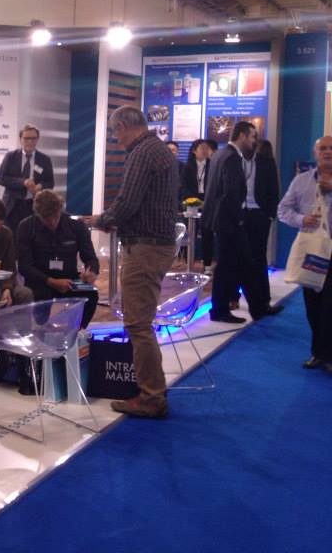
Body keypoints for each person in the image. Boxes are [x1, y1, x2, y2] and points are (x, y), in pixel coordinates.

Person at [89, 106, 178, 419]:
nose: (117, 140)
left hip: (145, 248)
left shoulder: (141, 153)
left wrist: (101, 220)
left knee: (138, 324)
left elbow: (127, 202)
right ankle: (154, 389)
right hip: (156, 246)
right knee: (141, 322)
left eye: (115, 133)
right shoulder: (160, 150)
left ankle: (151, 396)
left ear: (124, 126)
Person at [203, 121, 271, 323]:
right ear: (241, 135)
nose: (254, 141)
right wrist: (239, 219)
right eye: (252, 136)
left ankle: (255, 308)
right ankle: (223, 310)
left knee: (237, 265)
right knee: (233, 266)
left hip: (221, 220)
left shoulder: (219, 154)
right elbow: (231, 192)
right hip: (229, 221)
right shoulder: (232, 157)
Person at [278, 136, 332, 371]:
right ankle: (319, 352)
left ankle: (328, 354)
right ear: (315, 153)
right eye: (323, 148)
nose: (328, 152)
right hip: (313, 252)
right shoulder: (301, 181)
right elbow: (283, 210)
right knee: (314, 304)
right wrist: (302, 219)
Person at [17, 190, 99, 329]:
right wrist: (51, 281)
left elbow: (91, 258)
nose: (53, 222)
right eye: (47, 219)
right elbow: (24, 266)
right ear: (38, 215)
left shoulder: (76, 226)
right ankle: (40, 332)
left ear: (60, 210)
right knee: (41, 296)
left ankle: (78, 330)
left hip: (69, 279)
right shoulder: (26, 227)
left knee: (92, 294)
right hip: (40, 280)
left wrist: (91, 272)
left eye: (56, 216)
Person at [0, 124, 55, 233]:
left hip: (34, 206)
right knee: (11, 237)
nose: (30, 141)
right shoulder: (11, 156)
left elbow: (50, 183)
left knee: (32, 236)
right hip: (12, 206)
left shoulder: (45, 159)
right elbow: (1, 178)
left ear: (37, 139)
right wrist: (23, 182)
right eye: (27, 138)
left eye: (33, 138)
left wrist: (40, 186)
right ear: (20, 139)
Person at [251, 139, 282, 314]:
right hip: (256, 217)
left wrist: (269, 215)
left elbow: (273, 191)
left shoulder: (266, 164)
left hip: (260, 217)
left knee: (257, 259)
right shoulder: (265, 163)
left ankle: (261, 302)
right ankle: (261, 302)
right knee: (256, 259)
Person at [181, 138, 217, 271]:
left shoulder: (212, 165)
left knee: (208, 232)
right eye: (202, 148)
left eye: (207, 148)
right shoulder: (187, 167)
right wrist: (192, 199)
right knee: (191, 232)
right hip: (192, 201)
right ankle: (188, 263)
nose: (205, 151)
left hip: (208, 200)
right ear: (194, 151)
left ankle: (207, 264)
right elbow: (183, 186)